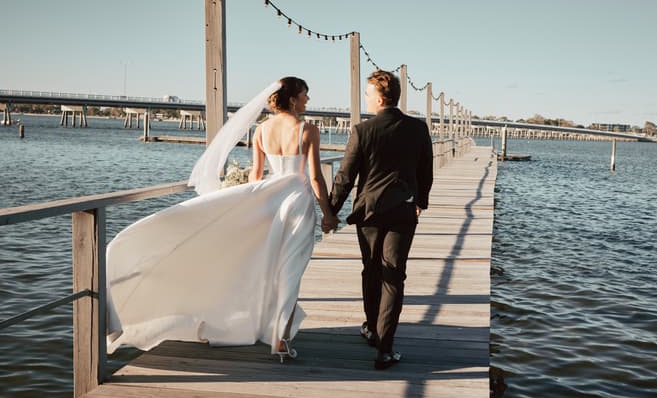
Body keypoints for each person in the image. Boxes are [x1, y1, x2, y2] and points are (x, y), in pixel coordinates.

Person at [106, 77, 337, 361]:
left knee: (267, 265)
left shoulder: (261, 131)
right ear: (292, 99)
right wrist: (328, 213)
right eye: (305, 94)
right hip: (298, 202)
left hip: (269, 202)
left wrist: (245, 206)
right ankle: (280, 339)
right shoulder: (307, 130)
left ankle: (270, 331)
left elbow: (255, 176)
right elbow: (314, 177)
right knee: (291, 268)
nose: (307, 100)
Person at [329, 70, 434, 370]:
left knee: (372, 270)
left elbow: (345, 177)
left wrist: (330, 212)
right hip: (403, 211)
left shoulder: (363, 131)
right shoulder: (418, 129)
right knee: (395, 276)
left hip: (369, 214)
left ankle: (373, 329)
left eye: (366, 94)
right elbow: (426, 171)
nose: (365, 99)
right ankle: (385, 349)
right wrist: (421, 203)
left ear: (378, 97)